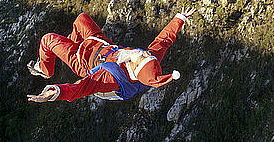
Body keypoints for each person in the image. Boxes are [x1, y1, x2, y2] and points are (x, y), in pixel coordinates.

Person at [26, 8, 195, 103]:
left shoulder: (111, 78)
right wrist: (179, 19)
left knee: (47, 40)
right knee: (81, 19)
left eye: (141, 57)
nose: (141, 52)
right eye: (146, 54)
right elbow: (163, 41)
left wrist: (55, 92)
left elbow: (80, 88)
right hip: (100, 44)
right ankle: (69, 44)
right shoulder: (148, 59)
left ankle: (44, 69)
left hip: (82, 60)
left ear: (135, 69)